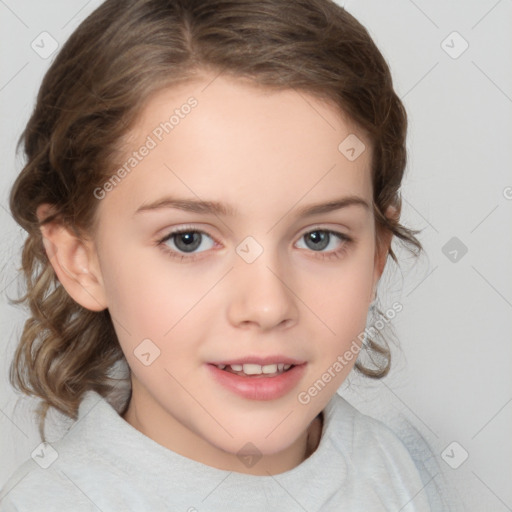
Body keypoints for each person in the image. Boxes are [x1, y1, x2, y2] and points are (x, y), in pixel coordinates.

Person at [0, 0, 461, 510]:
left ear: (377, 253)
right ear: (79, 259)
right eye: (188, 239)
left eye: (319, 238)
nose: (266, 306)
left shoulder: (401, 472)